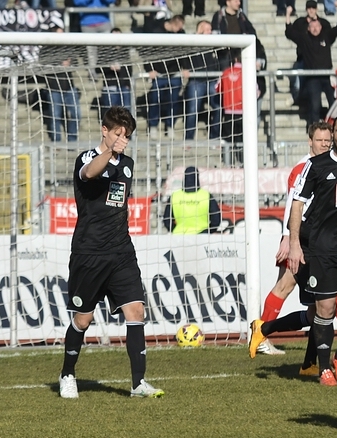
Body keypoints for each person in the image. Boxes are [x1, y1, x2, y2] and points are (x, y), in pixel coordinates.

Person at [58, 106, 164, 400]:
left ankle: (138, 383)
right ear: (104, 130)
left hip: (121, 252)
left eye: (126, 135)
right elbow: (91, 172)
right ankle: (67, 374)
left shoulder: (127, 164)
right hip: (89, 253)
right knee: (83, 320)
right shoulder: (86, 158)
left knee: (136, 311)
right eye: (118, 133)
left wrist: (116, 153)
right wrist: (109, 151)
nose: (122, 139)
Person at [285, 114, 337, 386]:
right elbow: (297, 203)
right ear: (333, 133)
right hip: (322, 248)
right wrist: (294, 243)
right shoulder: (316, 166)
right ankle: (323, 368)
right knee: (326, 308)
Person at [250, 122, 332, 357]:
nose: (324, 144)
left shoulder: (327, 164)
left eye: (327, 141)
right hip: (299, 240)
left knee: (313, 299)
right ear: (310, 141)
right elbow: (293, 203)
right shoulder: (303, 168)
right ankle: (262, 333)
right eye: (320, 140)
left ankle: (307, 357)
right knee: (289, 286)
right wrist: (288, 238)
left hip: (314, 239)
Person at [287, 1, 337, 127]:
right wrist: (287, 15)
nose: (315, 29)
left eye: (317, 26)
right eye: (312, 27)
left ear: (321, 27)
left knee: (333, 104)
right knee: (315, 105)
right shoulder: (304, 39)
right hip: (312, 78)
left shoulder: (327, 36)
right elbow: (289, 33)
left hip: (327, 76)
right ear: (308, 28)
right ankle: (313, 129)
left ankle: (336, 128)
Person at [144, 19, 186, 139]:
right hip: (159, 74)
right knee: (155, 100)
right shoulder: (156, 32)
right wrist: (149, 69)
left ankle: (170, 125)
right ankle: (153, 126)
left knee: (174, 101)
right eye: (178, 27)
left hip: (175, 74)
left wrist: (185, 67)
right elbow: (147, 53)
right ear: (173, 23)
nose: (179, 30)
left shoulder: (181, 34)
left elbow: (184, 52)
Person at [39, 24, 81, 143]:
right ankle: (56, 142)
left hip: (69, 87)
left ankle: (72, 140)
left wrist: (70, 62)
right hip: (53, 88)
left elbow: (76, 62)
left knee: (77, 115)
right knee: (55, 116)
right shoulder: (46, 49)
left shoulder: (67, 47)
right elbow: (42, 63)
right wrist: (59, 63)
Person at [182, 20, 222, 141]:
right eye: (207, 29)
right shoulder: (191, 42)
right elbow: (184, 53)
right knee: (192, 109)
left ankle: (214, 137)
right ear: (200, 29)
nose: (210, 32)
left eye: (210, 29)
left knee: (218, 107)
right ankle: (189, 139)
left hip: (212, 80)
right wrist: (185, 68)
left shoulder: (214, 43)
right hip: (196, 80)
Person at [162, 166, 221, 233]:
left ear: (184, 177)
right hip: (202, 236)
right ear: (197, 177)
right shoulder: (206, 196)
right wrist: (207, 231)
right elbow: (216, 220)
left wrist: (175, 230)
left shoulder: (175, 196)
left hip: (180, 235)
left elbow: (167, 220)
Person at [98, 28, 134, 118]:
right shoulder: (105, 51)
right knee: (111, 115)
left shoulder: (125, 51)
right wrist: (109, 67)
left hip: (124, 86)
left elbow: (129, 69)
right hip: (110, 86)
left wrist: (127, 84)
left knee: (126, 114)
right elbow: (97, 68)